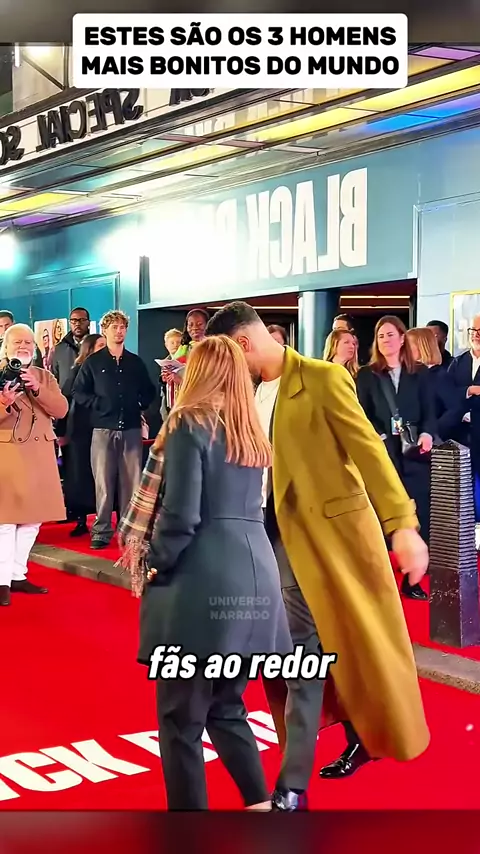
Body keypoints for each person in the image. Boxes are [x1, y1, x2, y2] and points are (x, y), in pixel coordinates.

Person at [206, 302, 429, 809]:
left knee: (302, 657)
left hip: (329, 544)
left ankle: (292, 787)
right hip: (267, 544)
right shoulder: (246, 392)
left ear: (242, 344)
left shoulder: (324, 379)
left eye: (228, 355)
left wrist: (402, 525)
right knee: (299, 659)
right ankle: (348, 740)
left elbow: (369, 451)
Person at [132, 335, 292, 811]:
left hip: (201, 581)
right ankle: (262, 808)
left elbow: (181, 515)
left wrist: (153, 561)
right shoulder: (250, 430)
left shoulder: (188, 423)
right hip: (255, 576)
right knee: (226, 708)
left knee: (180, 721)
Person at [356, 316, 436, 601]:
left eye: (391, 335)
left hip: (415, 453)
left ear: (403, 338)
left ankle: (412, 579)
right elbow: (360, 412)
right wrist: (376, 435)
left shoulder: (420, 374)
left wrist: (427, 433)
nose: (386, 340)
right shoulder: (368, 375)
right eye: (381, 336)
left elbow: (430, 410)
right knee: (383, 513)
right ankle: (381, 576)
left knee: (418, 512)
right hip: (383, 453)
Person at [72, 310, 156, 550]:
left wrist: (140, 405)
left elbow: (149, 390)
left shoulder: (135, 362)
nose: (119, 331)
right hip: (102, 429)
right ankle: (101, 530)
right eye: (115, 327)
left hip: (131, 428)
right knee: (104, 483)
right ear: (105, 330)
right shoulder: (93, 362)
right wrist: (98, 404)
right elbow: (78, 392)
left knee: (132, 483)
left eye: (122, 327)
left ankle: (129, 531)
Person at [0, 323, 68, 607]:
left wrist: (38, 388)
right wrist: (4, 401)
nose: (23, 346)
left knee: (32, 519)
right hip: (8, 455)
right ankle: (2, 581)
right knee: (5, 522)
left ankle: (18, 575)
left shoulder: (44, 376)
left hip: (39, 454)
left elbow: (61, 409)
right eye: (17, 342)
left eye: (28, 342)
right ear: (5, 347)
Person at [61, 334, 106, 537]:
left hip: (102, 426)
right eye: (101, 345)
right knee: (80, 473)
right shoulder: (77, 370)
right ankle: (80, 518)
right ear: (90, 349)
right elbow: (65, 399)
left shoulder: (110, 370)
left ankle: (103, 517)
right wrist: (61, 431)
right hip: (80, 429)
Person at [406, 326, 465, 442]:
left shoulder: (440, 377)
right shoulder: (411, 376)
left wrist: (431, 432)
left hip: (431, 444)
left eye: (408, 346)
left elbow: (455, 410)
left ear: (422, 347)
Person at [161, 309, 209, 403]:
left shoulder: (212, 350)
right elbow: (177, 371)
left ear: (208, 325)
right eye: (190, 325)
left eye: (199, 324)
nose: (194, 328)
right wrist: (168, 376)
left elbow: (207, 383)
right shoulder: (184, 349)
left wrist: (181, 381)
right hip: (180, 403)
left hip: (201, 405)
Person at [160, 328, 182, 422]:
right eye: (172, 342)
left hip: (182, 405)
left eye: (178, 342)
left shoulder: (188, 361)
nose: (175, 345)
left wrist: (179, 380)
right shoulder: (164, 363)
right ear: (166, 345)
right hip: (168, 406)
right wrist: (163, 380)